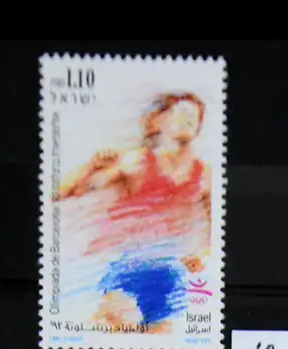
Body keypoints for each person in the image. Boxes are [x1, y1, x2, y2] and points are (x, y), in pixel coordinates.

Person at [56, 92, 211, 332]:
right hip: (127, 266)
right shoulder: (136, 162)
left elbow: (216, 221)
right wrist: (90, 167)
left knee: (159, 345)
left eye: (195, 116)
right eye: (182, 113)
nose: (190, 120)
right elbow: (64, 192)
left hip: (168, 273)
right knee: (112, 332)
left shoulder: (203, 174)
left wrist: (204, 252)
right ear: (159, 121)